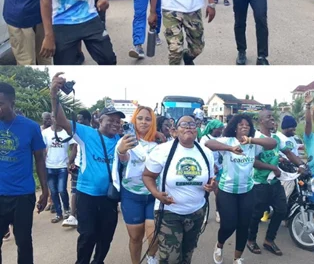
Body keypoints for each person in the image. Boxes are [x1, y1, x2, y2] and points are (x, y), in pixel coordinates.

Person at [50, 74, 124, 264]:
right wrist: (54, 95)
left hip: (109, 197)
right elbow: (61, 121)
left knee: (106, 236)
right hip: (87, 196)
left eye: (119, 121)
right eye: (111, 119)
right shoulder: (86, 133)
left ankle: (98, 261)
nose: (115, 123)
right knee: (88, 235)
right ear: (100, 119)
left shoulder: (122, 141)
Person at [203, 114, 277, 264]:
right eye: (241, 124)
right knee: (228, 225)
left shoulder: (253, 144)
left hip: (247, 191)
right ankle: (219, 245)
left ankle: (237, 258)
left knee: (244, 225)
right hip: (226, 191)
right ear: (235, 127)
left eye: (247, 125)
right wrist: (230, 149)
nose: (244, 127)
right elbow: (208, 143)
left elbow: (273, 143)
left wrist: (250, 140)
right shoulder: (227, 141)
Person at [142, 115, 215, 264]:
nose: (189, 127)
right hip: (169, 213)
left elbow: (211, 180)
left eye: (192, 124)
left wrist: (212, 185)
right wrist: (156, 194)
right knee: (170, 259)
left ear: (197, 130)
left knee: (187, 255)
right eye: (184, 124)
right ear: (175, 131)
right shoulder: (162, 150)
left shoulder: (206, 152)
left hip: (196, 212)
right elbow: (147, 176)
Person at [0, 82, 49, 262]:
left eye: (0, 104)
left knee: (23, 241)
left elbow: (40, 159)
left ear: (12, 102)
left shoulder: (30, 127)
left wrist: (45, 189)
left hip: (22, 195)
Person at [112, 105, 160, 264]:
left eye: (148, 119)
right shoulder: (126, 140)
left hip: (154, 195)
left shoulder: (159, 142)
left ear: (153, 122)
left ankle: (151, 258)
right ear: (134, 120)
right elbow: (123, 160)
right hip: (131, 195)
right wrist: (121, 151)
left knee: (154, 235)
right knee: (135, 237)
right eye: (140, 118)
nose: (144, 122)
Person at [246, 108, 288, 256]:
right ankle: (251, 240)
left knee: (282, 209)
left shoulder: (276, 138)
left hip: (274, 182)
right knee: (256, 214)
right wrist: (272, 167)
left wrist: (301, 165)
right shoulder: (256, 138)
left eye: (273, 117)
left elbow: (288, 152)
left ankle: (269, 240)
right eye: (269, 117)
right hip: (259, 182)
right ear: (261, 121)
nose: (272, 119)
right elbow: (253, 161)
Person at [42, 109, 76, 223]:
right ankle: (58, 213)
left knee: (62, 190)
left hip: (62, 166)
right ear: (50, 118)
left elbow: (74, 147)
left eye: (56, 116)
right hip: (49, 166)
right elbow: (42, 149)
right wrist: (42, 163)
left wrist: (70, 162)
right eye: (52, 116)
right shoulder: (45, 132)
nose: (54, 118)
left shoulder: (66, 132)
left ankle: (66, 209)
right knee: (54, 191)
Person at [272, 115, 308, 200]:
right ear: (287, 128)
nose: (294, 130)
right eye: (293, 128)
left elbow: (295, 154)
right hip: (284, 171)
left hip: (294, 170)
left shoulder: (292, 138)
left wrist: (302, 164)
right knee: (285, 196)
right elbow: (275, 153)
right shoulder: (277, 137)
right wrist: (282, 159)